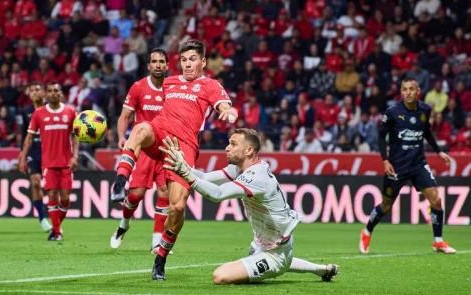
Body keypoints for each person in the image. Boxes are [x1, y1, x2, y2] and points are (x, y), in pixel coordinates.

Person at [109, 39, 238, 280]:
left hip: (183, 147)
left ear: (203, 62)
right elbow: (141, 94)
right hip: (160, 132)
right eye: (184, 60)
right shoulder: (169, 82)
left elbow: (225, 105)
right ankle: (119, 182)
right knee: (140, 129)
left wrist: (229, 112)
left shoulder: (210, 85)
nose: (188, 64)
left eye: (193, 60)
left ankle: (160, 259)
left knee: (177, 207)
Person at [160, 129, 339, 284]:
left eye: (233, 144)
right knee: (258, 254)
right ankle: (322, 269)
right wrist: (183, 165)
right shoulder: (240, 168)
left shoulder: (256, 176)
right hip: (267, 244)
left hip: (274, 252)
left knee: (220, 276)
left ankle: (281, 265)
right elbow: (205, 178)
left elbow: (218, 194)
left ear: (249, 150)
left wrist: (185, 173)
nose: (227, 148)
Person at [360, 78, 456, 254]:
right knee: (386, 206)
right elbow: (381, 137)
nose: (408, 92)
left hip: (418, 163)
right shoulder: (393, 112)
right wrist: (385, 160)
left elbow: (426, 131)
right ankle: (367, 230)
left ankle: (438, 241)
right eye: (405, 89)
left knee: (436, 200)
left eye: (412, 89)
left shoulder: (425, 110)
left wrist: (438, 151)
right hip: (396, 166)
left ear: (418, 91)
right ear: (401, 92)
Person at [109, 49, 170, 251]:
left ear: (167, 65)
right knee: (136, 195)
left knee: (165, 192)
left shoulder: (173, 89)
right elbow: (125, 116)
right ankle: (123, 225)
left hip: (165, 149)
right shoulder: (138, 87)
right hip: (143, 149)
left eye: (162, 61)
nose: (158, 65)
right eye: (154, 61)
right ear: (148, 65)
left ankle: (156, 241)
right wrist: (121, 137)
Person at [22, 82, 78, 241]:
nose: (54, 93)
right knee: (52, 194)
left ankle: (55, 227)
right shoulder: (38, 114)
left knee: (65, 198)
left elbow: (75, 136)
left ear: (61, 94)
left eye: (56, 90)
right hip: (49, 163)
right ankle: (57, 231)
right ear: (47, 94)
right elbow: (29, 137)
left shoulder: (70, 112)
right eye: (51, 91)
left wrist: (75, 156)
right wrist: (23, 157)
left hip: (66, 162)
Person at [17, 81, 53, 232]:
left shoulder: (51, 109)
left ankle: (53, 215)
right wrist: (22, 155)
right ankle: (42, 217)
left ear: (43, 93)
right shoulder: (26, 111)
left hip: (50, 150)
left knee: (52, 189)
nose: (35, 93)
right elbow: (23, 135)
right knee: (35, 182)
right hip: (33, 151)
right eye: (32, 90)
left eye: (38, 90)